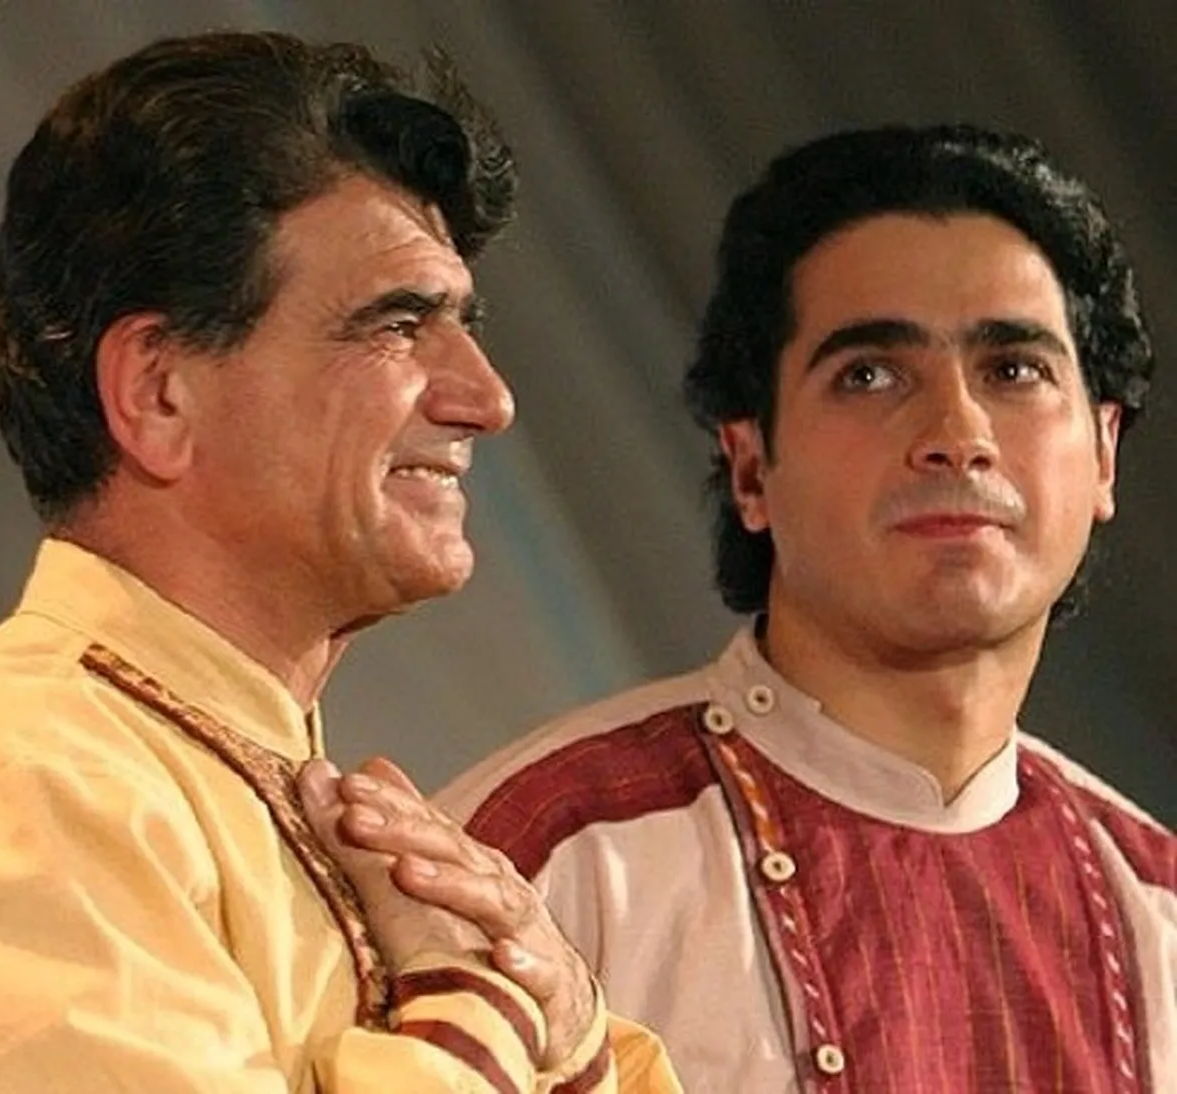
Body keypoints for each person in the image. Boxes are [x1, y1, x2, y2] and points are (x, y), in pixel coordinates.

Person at [0, 30, 679, 1093]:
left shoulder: (229, 776)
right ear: (159, 392)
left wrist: (570, 1024)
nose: (487, 398)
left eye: (463, 324)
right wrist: (478, 1004)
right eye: (398, 324)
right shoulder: (34, 781)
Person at [439, 125, 1176, 1092]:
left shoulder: (1157, 915)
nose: (956, 432)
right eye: (870, 375)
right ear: (751, 466)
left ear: (1105, 453)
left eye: (1013, 371)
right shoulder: (546, 857)